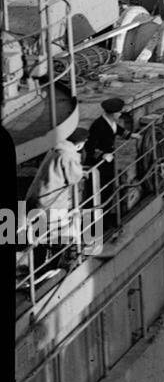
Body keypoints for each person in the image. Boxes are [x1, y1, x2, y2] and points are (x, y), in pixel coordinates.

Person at [26, 127, 88, 267]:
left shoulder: (55, 149)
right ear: (79, 144)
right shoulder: (69, 155)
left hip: (37, 197)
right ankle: (53, 268)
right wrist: (80, 165)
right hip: (52, 202)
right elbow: (74, 177)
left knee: (39, 236)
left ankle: (36, 268)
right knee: (58, 237)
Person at [86, 97, 126, 225]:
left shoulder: (110, 121)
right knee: (100, 190)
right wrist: (102, 155)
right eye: (119, 112)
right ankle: (98, 221)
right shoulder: (99, 125)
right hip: (99, 164)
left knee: (109, 187)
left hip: (109, 161)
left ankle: (106, 215)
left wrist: (130, 135)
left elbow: (117, 130)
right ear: (114, 113)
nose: (120, 114)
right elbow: (90, 146)